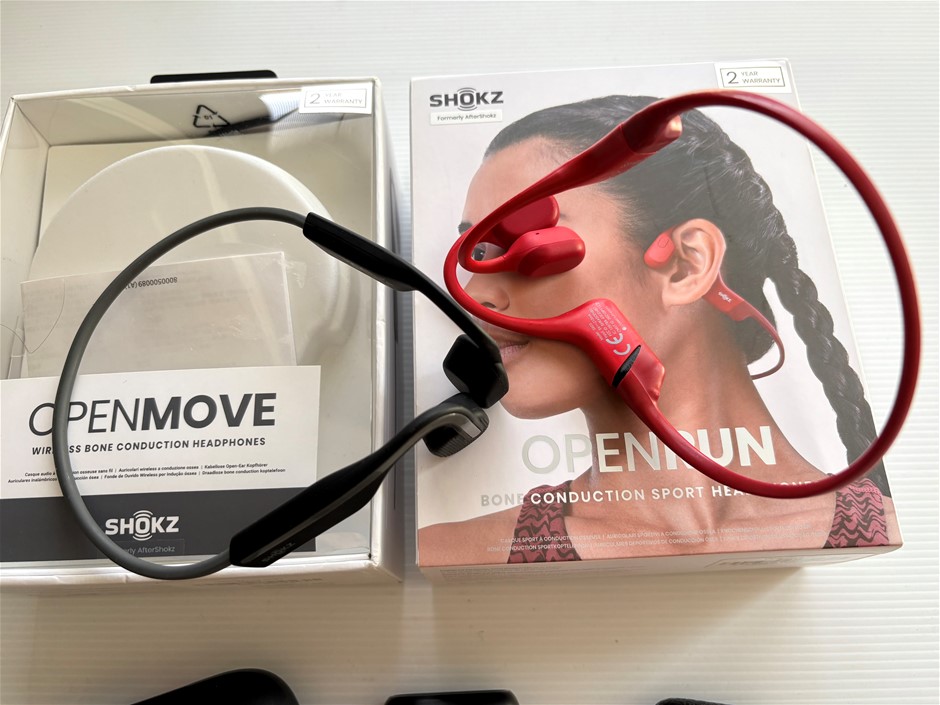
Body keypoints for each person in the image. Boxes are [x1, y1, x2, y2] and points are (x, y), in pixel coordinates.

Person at [419, 95, 900, 566]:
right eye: (477, 252)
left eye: (529, 242)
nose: (475, 294)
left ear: (685, 266)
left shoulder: (875, 526)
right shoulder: (456, 550)